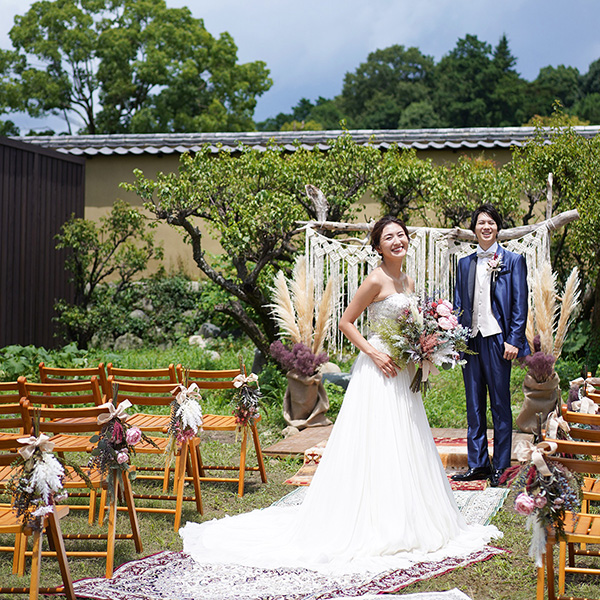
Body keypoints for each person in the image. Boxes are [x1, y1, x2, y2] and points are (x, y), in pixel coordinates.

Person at [180, 216, 500, 576]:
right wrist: (375, 353)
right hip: (378, 370)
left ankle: (406, 514)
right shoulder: (376, 278)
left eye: (402, 236)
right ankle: (372, 520)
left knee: (405, 440)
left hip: (404, 371)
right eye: (389, 237)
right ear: (378, 246)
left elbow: (412, 324)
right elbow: (347, 322)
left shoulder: (408, 280)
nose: (398, 241)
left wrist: (423, 348)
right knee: (376, 440)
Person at [452, 205, 529, 488]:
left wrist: (514, 340)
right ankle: (478, 465)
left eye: (491, 222)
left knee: (499, 404)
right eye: (481, 223)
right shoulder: (464, 263)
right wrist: (456, 340)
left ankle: (501, 466)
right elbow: (460, 303)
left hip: (499, 339)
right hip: (471, 340)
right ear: (474, 229)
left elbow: (520, 304)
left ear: (498, 227)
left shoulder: (513, 260)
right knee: (474, 405)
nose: (486, 227)